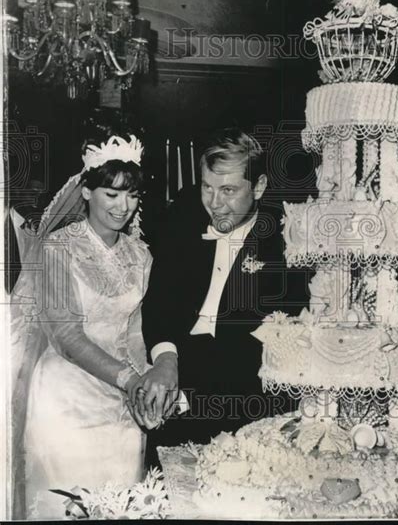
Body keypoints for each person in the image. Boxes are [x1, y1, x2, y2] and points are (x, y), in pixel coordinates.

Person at [135, 128, 308, 456]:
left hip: (241, 400)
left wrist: (187, 396)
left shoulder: (287, 241)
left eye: (228, 190)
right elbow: (159, 299)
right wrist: (165, 360)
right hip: (175, 369)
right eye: (207, 188)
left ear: (258, 187)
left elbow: (266, 348)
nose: (214, 204)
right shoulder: (184, 215)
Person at [10, 134, 156, 519]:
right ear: (87, 191)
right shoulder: (57, 248)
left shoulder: (141, 255)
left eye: (133, 195)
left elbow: (135, 331)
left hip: (122, 409)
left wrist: (146, 386)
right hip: (66, 403)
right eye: (111, 194)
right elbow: (67, 338)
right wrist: (130, 379)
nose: (123, 207)